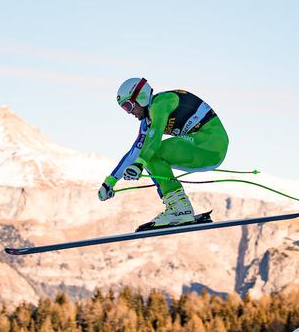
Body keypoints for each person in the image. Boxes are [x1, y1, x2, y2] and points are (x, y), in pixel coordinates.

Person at [98, 78, 229, 228]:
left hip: (210, 143)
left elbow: (155, 136)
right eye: (125, 109)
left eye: (128, 106)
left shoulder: (161, 102)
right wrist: (110, 182)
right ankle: (177, 207)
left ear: (140, 97)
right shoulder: (148, 120)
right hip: (205, 149)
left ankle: (180, 209)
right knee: (147, 155)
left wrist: (140, 163)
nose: (129, 113)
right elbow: (135, 151)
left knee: (150, 155)